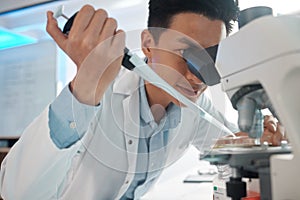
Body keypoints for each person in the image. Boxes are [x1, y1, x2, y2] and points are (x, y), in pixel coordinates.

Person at [0, 0, 283, 199]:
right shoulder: (96, 97)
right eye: (186, 53)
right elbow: (16, 192)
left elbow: (229, 146)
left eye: (210, 58)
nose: (197, 77)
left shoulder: (195, 107)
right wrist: (86, 87)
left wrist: (257, 141)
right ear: (148, 44)